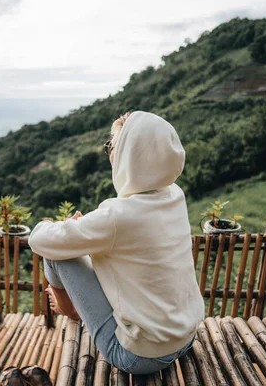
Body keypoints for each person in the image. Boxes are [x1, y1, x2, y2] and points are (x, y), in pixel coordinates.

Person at [28, 111, 205, 375]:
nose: (110, 154)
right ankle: (74, 308)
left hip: (140, 357)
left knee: (55, 255)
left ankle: (68, 309)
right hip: (187, 335)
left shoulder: (117, 215)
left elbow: (39, 241)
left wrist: (56, 225)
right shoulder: (174, 196)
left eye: (112, 147)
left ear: (128, 154)